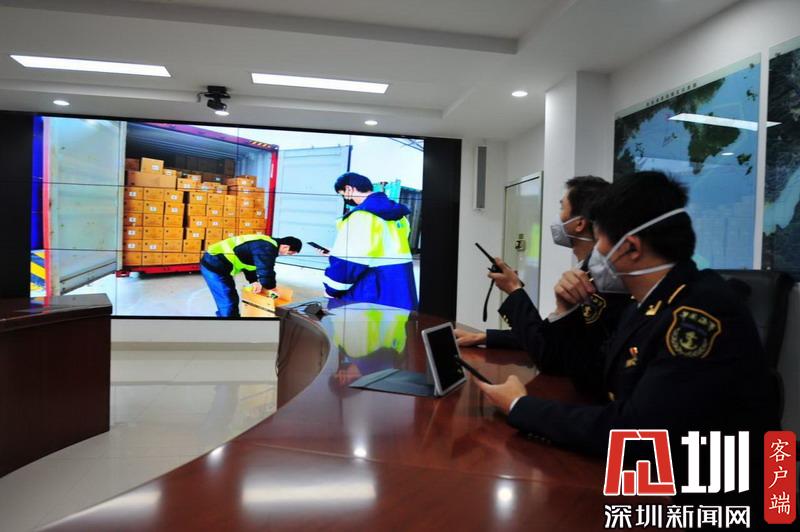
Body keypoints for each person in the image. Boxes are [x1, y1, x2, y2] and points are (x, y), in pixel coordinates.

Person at [474, 171, 778, 510]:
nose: (595, 254)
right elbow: (590, 373)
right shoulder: (647, 304)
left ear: (631, 248)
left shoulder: (698, 315)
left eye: (600, 240)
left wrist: (521, 406)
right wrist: (565, 311)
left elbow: (637, 435)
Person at [455, 176, 628, 396]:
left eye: (562, 208)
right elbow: (551, 335)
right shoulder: (585, 270)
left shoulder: (598, 281)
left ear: (579, 224)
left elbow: (550, 355)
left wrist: (514, 290)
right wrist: (486, 337)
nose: (557, 217)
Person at [323, 172, 418, 310]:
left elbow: (349, 264)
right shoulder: (399, 217)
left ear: (349, 189)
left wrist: (331, 290)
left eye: (343, 194)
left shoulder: (361, 216)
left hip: (372, 289)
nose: (345, 199)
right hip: (400, 286)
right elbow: (384, 247)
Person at [200, 234, 301, 317]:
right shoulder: (267, 247)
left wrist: (254, 281)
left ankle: (227, 317)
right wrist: (272, 288)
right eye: (289, 253)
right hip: (214, 263)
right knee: (228, 300)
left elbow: (250, 263)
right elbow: (266, 271)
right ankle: (228, 325)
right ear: (285, 247)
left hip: (219, 262)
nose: (287, 255)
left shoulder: (265, 243)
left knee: (230, 298)